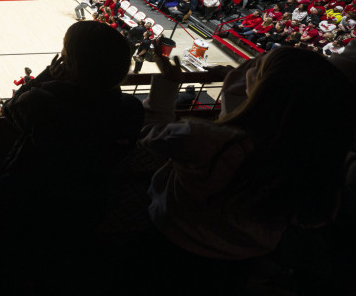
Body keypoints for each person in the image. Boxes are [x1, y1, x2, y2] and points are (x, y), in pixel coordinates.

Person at [139, 47, 356, 290]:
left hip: (168, 244)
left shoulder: (203, 138)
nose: (246, 69)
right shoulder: (314, 163)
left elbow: (149, 136)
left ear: (264, 89)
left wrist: (168, 85)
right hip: (239, 266)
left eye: (256, 68)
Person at [0, 22, 144, 284]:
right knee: (68, 256)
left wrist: (45, 78)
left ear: (70, 66)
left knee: (17, 259)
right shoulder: (130, 108)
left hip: (30, 198)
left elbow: (10, 109)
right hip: (89, 199)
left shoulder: (44, 100)